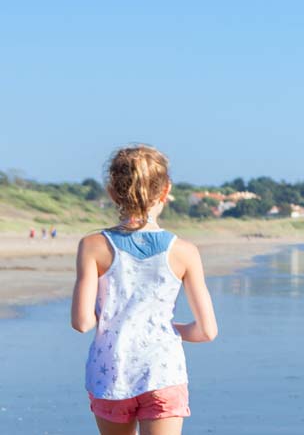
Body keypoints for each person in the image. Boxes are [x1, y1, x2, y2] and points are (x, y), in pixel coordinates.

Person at [71, 144, 219, 435]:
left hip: (111, 373)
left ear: (112, 192)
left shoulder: (92, 247)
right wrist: (165, 327)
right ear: (165, 191)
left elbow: (82, 322)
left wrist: (120, 320)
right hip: (163, 371)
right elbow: (207, 331)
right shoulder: (185, 251)